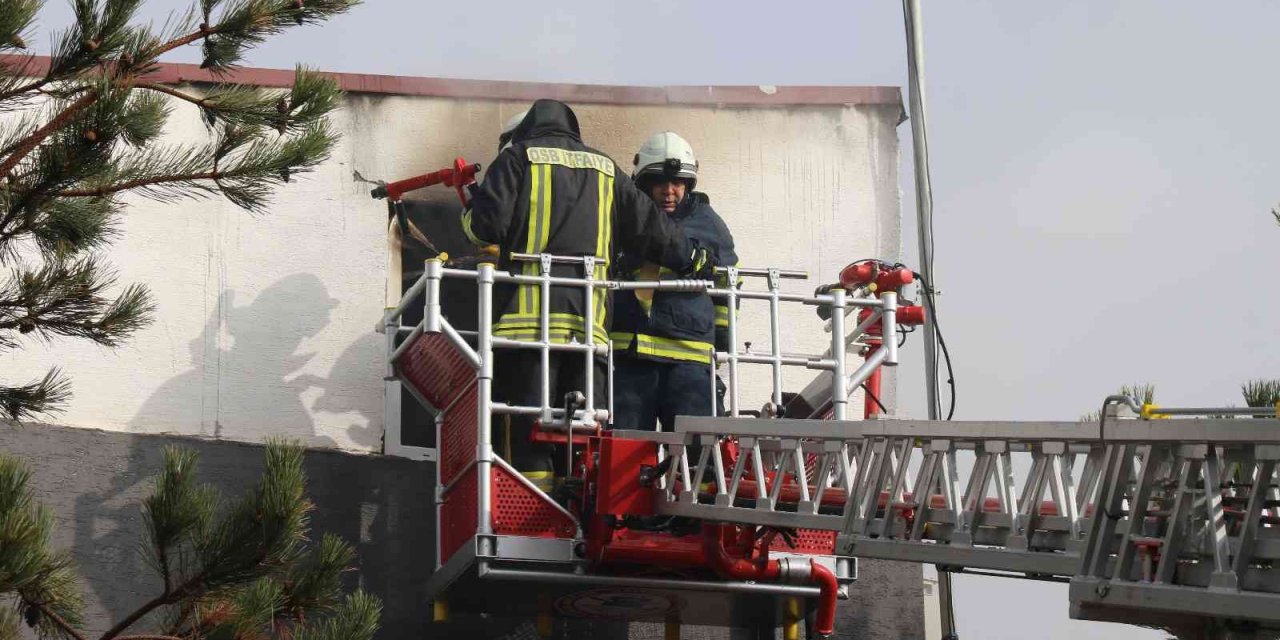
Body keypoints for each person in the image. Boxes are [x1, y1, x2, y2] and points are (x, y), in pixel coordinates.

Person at [462, 101, 713, 490]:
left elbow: (484, 228)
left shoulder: (517, 159)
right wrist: (694, 259)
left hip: (527, 331)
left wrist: (469, 214)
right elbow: (653, 230)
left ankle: (532, 509)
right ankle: (573, 506)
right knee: (580, 438)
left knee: (526, 435)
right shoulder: (605, 168)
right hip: (588, 334)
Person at [610, 131, 739, 434]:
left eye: (678, 183)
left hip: (689, 357)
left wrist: (722, 343)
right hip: (630, 354)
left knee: (698, 449)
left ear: (688, 185)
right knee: (626, 449)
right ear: (643, 183)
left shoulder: (709, 224)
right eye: (660, 182)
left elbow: (728, 285)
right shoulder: (622, 218)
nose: (669, 191)